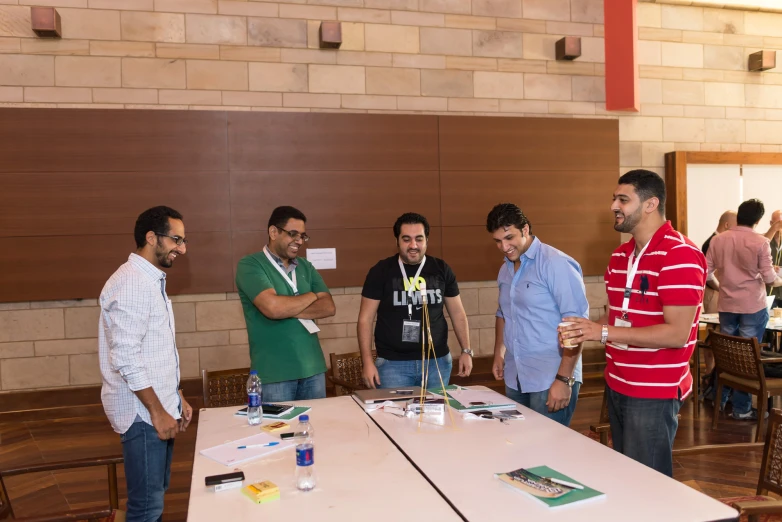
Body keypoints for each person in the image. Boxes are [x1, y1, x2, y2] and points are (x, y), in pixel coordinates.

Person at [559, 169, 706, 477]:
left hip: (654, 389)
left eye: (623, 199)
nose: (613, 206)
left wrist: (600, 332)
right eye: (614, 198)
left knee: (648, 482)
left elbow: (678, 334)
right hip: (618, 381)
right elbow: (617, 317)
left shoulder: (680, 254)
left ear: (650, 204)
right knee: (626, 476)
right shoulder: (620, 256)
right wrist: (584, 328)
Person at [99, 206, 193, 522]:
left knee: (156, 496)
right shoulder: (133, 283)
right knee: (145, 507)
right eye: (176, 240)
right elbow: (125, 357)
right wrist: (157, 410)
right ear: (152, 238)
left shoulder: (148, 279)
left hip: (156, 406)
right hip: (142, 413)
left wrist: (175, 395)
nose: (182, 248)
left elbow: (153, 351)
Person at [485, 204, 588, 427]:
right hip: (516, 375)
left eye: (509, 237)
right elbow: (504, 313)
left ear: (525, 229)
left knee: (549, 452)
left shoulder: (556, 263)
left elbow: (576, 325)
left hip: (550, 376)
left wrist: (563, 379)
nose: (504, 246)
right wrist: (498, 353)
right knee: (520, 448)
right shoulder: (505, 270)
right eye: (498, 241)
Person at [358, 212, 473, 389]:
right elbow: (365, 319)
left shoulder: (441, 269)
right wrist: (367, 362)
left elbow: (458, 313)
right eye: (406, 239)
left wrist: (466, 350)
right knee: (394, 416)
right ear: (397, 241)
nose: (413, 245)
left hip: (437, 363)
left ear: (427, 240)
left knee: (436, 416)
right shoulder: (380, 271)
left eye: (419, 239)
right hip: (392, 366)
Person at [235, 206, 336, 402]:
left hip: (313, 369)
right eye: (293, 234)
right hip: (275, 373)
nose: (299, 241)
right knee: (277, 431)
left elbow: (329, 307)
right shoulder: (251, 265)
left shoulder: (305, 266)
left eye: (303, 236)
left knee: (316, 429)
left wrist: (286, 307)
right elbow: (273, 308)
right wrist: (312, 295)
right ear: (273, 232)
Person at [706, 199, 782, 419]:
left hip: (727, 304)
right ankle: (741, 409)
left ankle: (721, 400)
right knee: (748, 357)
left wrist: (723, 287)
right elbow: (769, 278)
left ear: (739, 215)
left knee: (729, 353)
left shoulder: (718, 240)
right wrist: (778, 279)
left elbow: (705, 271)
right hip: (752, 306)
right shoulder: (760, 242)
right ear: (758, 220)